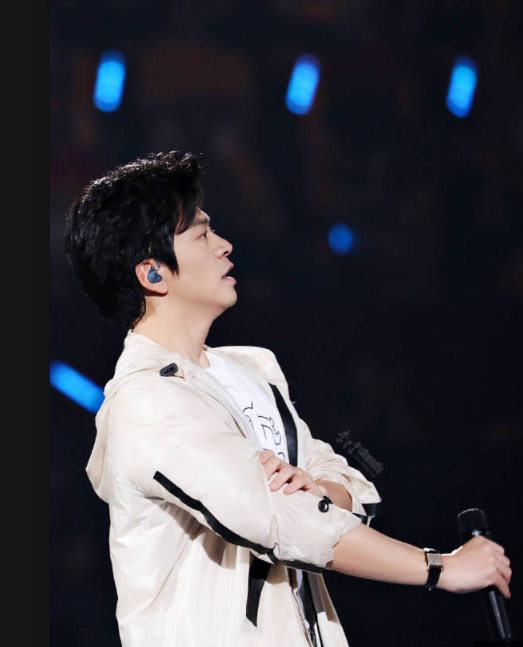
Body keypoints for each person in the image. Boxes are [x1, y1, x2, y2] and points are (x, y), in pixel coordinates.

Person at [64, 151, 511, 647]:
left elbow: (347, 478)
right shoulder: (147, 401)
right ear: (153, 274)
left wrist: (319, 490)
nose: (224, 245)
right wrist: (440, 568)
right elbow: (281, 521)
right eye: (202, 235)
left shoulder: (250, 370)